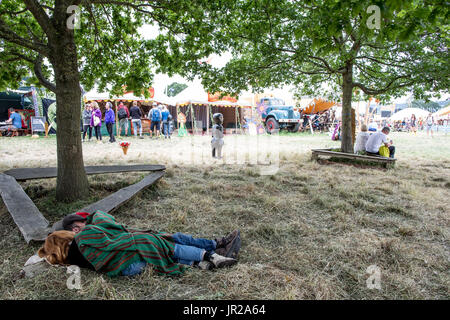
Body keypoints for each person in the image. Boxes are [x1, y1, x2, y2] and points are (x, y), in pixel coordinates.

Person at [38, 211, 241, 277]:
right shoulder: (84, 237)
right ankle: (213, 252)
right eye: (85, 221)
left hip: (124, 269)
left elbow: (106, 251)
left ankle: (203, 261)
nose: (88, 221)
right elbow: (114, 242)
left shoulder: (71, 256)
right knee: (159, 242)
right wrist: (136, 237)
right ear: (75, 229)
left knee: (159, 244)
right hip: (130, 263)